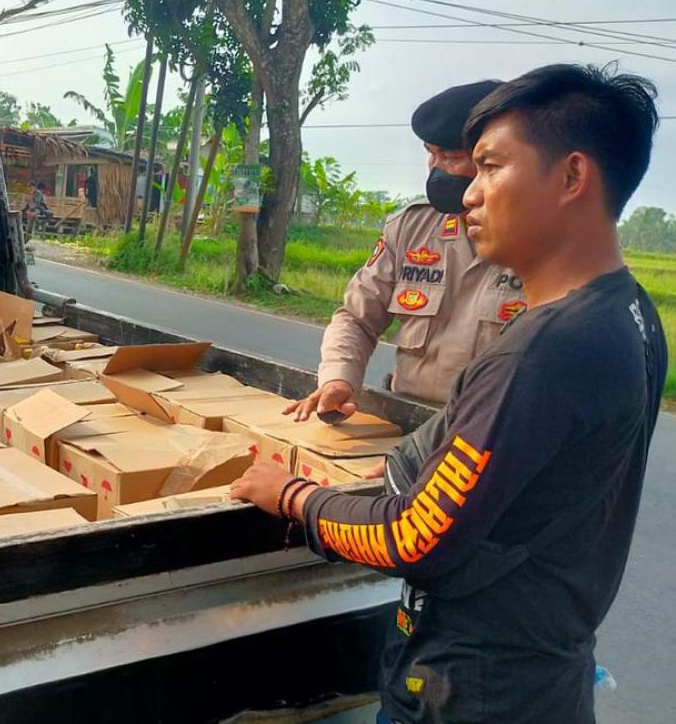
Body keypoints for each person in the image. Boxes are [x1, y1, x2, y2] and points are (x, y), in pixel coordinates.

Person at [232, 63, 665, 724]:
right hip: (539, 663)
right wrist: (409, 463)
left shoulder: (542, 352)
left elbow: (414, 539)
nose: (466, 193)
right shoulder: (630, 311)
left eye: (488, 166)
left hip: (475, 685)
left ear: (573, 176)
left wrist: (291, 496)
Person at [288, 80, 523, 421]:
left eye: (451, 157)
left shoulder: (538, 244)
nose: (436, 168)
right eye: (431, 154)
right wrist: (339, 378)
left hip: (481, 440)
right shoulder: (412, 228)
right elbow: (357, 318)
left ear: (491, 161)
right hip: (402, 420)